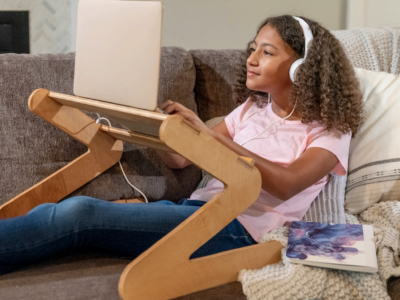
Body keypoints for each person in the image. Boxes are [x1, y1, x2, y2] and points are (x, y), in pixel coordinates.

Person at [0, 15, 362, 275]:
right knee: (79, 214)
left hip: (240, 231)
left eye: (267, 52)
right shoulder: (252, 109)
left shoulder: (329, 130)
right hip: (198, 212)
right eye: (253, 49)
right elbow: (178, 161)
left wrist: (205, 136)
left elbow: (286, 184)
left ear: (303, 67)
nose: (251, 59)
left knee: (80, 214)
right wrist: (155, 123)